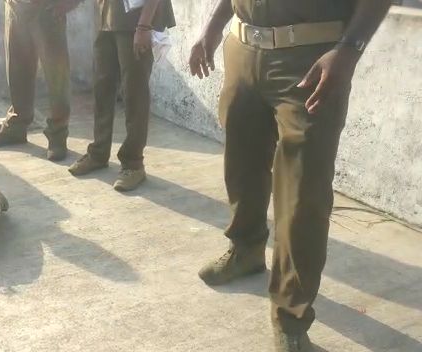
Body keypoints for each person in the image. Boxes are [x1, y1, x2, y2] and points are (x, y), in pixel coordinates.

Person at [188, 0, 391, 351]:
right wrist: (212, 26)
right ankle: (246, 249)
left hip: (309, 60)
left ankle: (290, 315)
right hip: (242, 51)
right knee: (241, 168)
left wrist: (350, 49)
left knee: (302, 194)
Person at [67, 0, 175, 192]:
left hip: (136, 22)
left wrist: (143, 26)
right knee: (102, 89)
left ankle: (133, 164)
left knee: (135, 93)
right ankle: (98, 153)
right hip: (107, 18)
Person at [0, 0, 83, 161]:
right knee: (17, 70)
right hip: (15, 6)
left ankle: (58, 135)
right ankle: (16, 127)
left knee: (56, 75)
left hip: (48, 8)